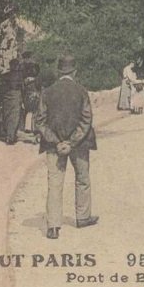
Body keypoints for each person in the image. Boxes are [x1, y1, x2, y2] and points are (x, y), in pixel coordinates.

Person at [35, 55, 98, 240]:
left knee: (54, 183)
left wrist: (57, 141)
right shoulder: (81, 91)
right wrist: (72, 142)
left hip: (53, 145)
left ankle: (53, 227)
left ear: (58, 72)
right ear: (74, 71)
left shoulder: (47, 92)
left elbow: (40, 121)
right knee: (82, 179)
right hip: (79, 145)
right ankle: (83, 217)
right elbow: (86, 120)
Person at [0, 4, 21, 140]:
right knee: (6, 97)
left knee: (12, 96)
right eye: (12, 13)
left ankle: (10, 132)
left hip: (13, 65)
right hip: (3, 65)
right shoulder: (3, 26)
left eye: (15, 12)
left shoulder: (16, 26)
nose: (14, 15)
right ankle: (7, 132)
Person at [2, 56, 24, 145]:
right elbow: (22, 87)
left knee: (7, 115)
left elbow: (2, 87)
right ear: (17, 66)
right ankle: (11, 136)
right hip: (16, 96)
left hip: (7, 97)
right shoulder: (20, 75)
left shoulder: (6, 75)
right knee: (14, 116)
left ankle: (9, 135)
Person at [21, 51, 42, 133]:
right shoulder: (35, 65)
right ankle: (33, 127)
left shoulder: (21, 66)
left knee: (28, 108)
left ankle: (27, 126)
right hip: (34, 87)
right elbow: (38, 75)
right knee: (35, 109)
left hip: (27, 87)